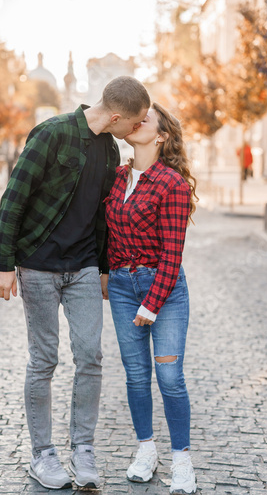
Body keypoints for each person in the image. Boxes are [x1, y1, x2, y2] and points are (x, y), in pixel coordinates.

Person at [0, 76, 150, 490]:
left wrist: (103, 267)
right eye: (135, 122)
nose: (137, 130)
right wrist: (3, 264)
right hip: (38, 266)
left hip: (80, 269)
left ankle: (84, 449)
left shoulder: (110, 148)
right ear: (116, 116)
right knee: (44, 360)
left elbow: (100, 216)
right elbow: (15, 198)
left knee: (90, 356)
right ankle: (42, 455)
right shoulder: (52, 133)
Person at [105, 102, 198, 494]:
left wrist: (152, 302)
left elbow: (172, 254)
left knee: (170, 377)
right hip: (125, 289)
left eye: (146, 120)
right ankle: (146, 449)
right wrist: (108, 276)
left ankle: (182, 460)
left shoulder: (172, 184)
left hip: (165, 290)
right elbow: (105, 235)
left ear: (160, 135)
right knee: (136, 376)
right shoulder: (116, 177)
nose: (137, 122)